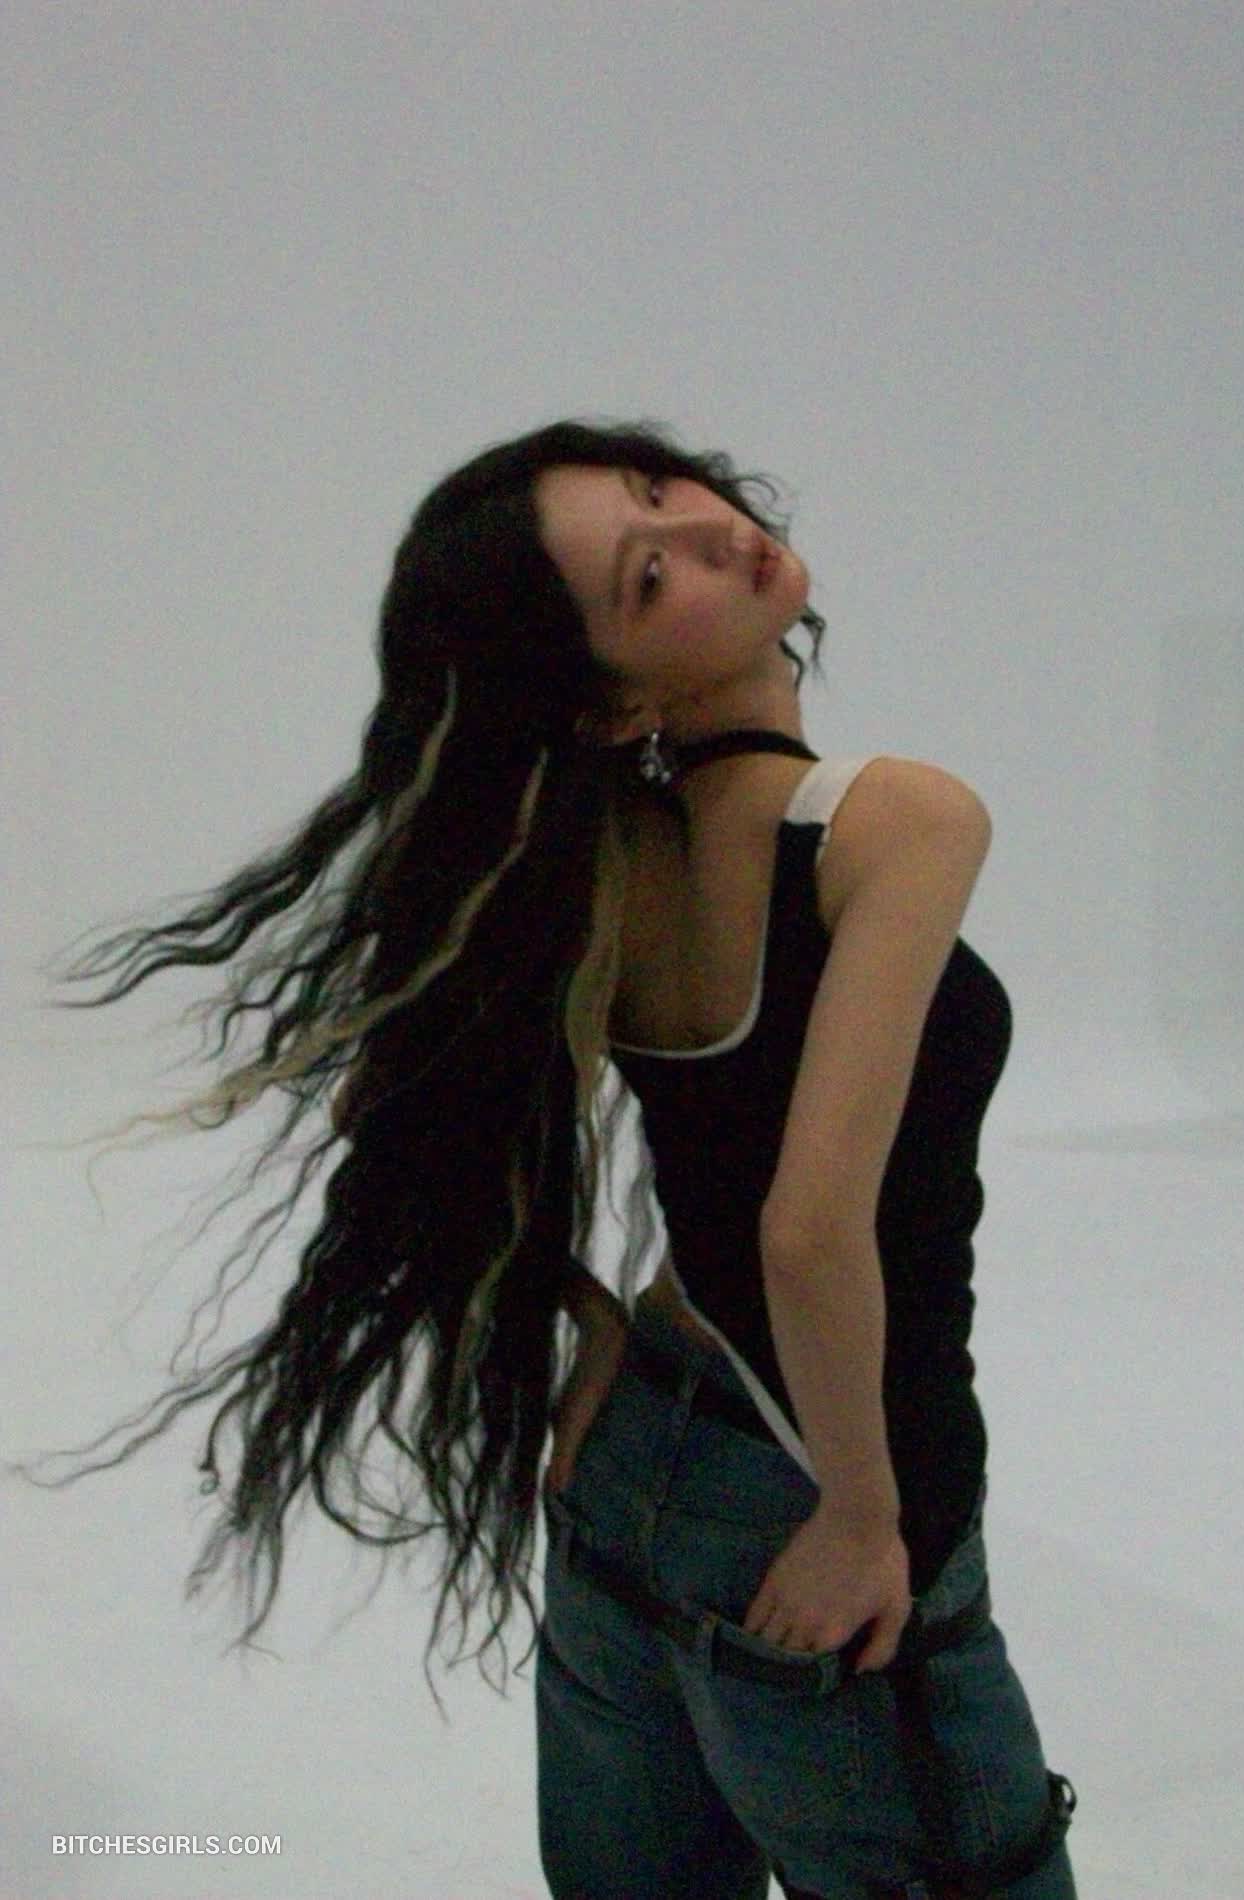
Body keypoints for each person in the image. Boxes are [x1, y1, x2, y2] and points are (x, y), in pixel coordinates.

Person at [15, 417, 1077, 1899]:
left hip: (624, 1470)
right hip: (814, 1491)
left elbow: (408, 1123)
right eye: (648, 578)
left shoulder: (606, 858)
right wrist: (859, 1512)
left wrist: (595, 1339)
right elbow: (806, 1232)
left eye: (660, 488)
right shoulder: (895, 821)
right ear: (609, 697)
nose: (711, 530)